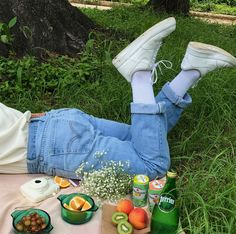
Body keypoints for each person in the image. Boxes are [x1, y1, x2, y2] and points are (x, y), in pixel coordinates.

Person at [0, 17, 235, 180]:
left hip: (52, 147)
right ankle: (191, 70)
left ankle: (139, 75)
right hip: (51, 121)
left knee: (151, 165)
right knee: (140, 137)